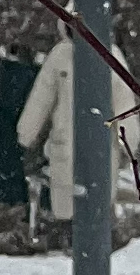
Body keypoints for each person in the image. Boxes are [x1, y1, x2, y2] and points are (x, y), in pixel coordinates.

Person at [16, 22, 122, 237]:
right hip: (65, 138)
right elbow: (41, 97)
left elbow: (123, 99)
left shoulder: (110, 55)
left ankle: (94, 231)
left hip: (100, 140)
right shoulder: (60, 56)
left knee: (98, 191)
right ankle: (69, 232)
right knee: (65, 190)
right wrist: (26, 132)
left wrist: (128, 138)